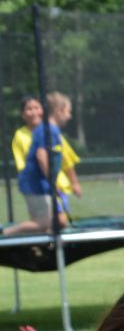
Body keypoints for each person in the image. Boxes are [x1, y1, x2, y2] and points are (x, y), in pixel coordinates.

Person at [3, 92, 76, 236]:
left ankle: (46, 245)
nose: (70, 116)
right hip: (36, 186)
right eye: (68, 112)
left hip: (44, 186)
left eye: (37, 107)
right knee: (46, 222)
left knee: (58, 222)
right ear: (59, 111)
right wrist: (52, 180)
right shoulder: (48, 131)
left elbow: (66, 158)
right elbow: (41, 156)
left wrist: (72, 182)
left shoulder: (47, 130)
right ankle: (7, 232)